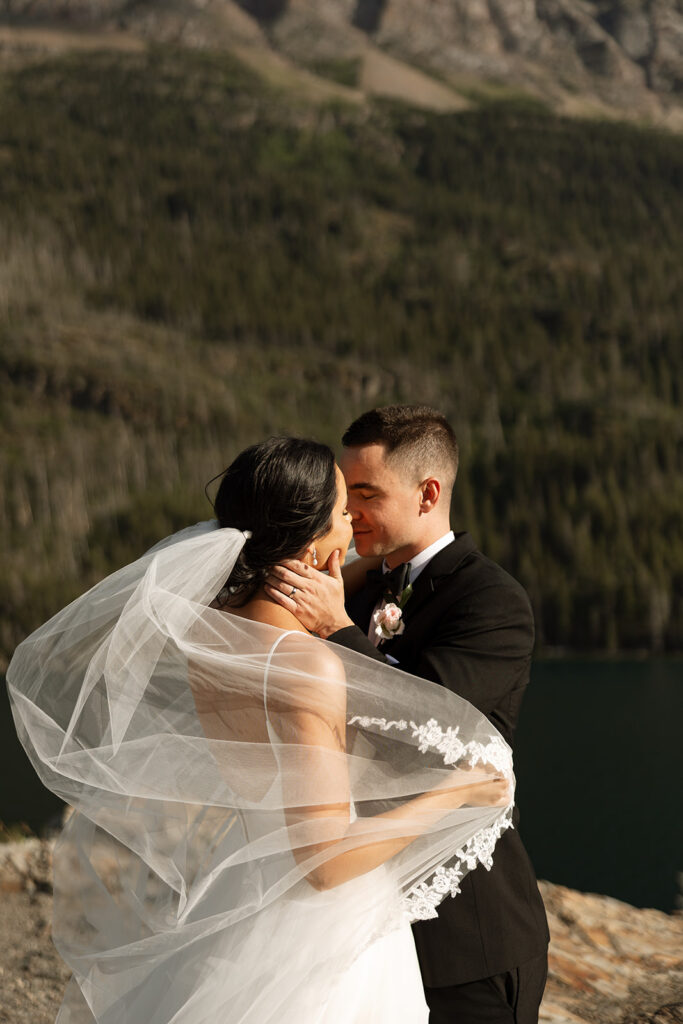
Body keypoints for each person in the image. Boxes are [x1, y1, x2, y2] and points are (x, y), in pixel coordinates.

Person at [7, 435, 517, 1024]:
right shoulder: (310, 666)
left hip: (244, 895)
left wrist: (349, 568)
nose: (353, 519)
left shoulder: (215, 641)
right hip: (319, 934)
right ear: (309, 541)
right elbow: (323, 863)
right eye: (342, 512)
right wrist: (456, 793)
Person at [266, 408, 550, 1024]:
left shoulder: (492, 600)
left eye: (366, 494)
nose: (350, 514)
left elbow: (433, 722)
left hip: (467, 935)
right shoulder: (355, 588)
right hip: (356, 928)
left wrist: (338, 630)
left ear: (429, 493)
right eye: (347, 497)